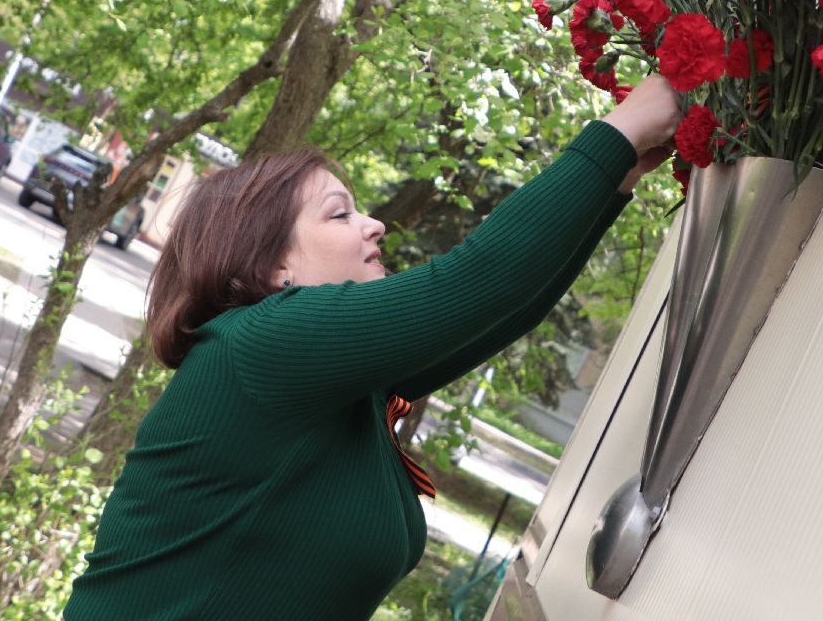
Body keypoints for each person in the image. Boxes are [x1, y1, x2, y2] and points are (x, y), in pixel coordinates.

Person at [64, 74, 683, 620]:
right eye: (340, 215)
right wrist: (618, 131)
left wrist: (617, 177)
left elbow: (504, 309)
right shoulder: (259, 345)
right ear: (273, 267)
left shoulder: (340, 390)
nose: (374, 225)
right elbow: (474, 285)